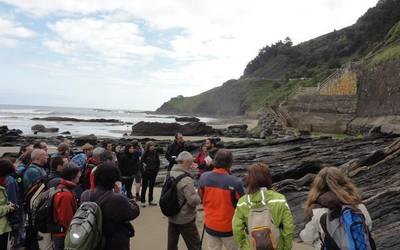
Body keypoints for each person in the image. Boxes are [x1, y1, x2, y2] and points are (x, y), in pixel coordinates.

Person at [300, 167, 373, 250]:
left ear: (318, 185)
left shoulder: (316, 210)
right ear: (343, 181)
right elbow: (368, 226)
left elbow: (308, 238)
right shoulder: (357, 205)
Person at [232, 163, 294, 250]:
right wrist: (286, 247)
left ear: (249, 179)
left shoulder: (242, 202)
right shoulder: (279, 199)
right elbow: (288, 227)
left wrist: (244, 246)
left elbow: (236, 228)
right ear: (268, 178)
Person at [81, 162, 140, 250]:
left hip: (93, 239)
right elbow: (134, 212)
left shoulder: (85, 194)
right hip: (114, 240)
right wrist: (121, 194)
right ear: (115, 179)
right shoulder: (117, 199)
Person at [198, 149, 244, 250]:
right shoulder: (236, 182)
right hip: (230, 228)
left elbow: (201, 197)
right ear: (230, 163)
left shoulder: (203, 177)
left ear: (215, 161)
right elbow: (242, 205)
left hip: (210, 224)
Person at [167, 151, 201, 250]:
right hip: (185, 218)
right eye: (190, 163)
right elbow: (193, 201)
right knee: (195, 245)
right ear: (185, 162)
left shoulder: (170, 173)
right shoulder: (186, 179)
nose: (191, 166)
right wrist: (199, 195)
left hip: (171, 214)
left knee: (172, 245)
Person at [23, 149, 48, 250]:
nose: (47, 157)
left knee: (33, 227)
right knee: (32, 227)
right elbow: (37, 190)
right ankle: (32, 246)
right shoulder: (33, 171)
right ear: (39, 157)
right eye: (45, 156)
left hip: (35, 203)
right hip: (32, 204)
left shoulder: (38, 168)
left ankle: (31, 245)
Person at [52, 165, 81, 250]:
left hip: (61, 232)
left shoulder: (63, 188)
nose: (79, 177)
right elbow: (66, 218)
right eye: (78, 176)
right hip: (62, 234)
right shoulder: (65, 195)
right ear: (73, 177)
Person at [0, 159, 17, 249]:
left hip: (4, 228)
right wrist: (8, 207)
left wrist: (8, 204)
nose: (8, 178)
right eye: (7, 175)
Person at [140, 141, 160, 207]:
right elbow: (141, 163)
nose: (152, 147)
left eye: (153, 146)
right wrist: (143, 172)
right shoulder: (145, 153)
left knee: (151, 187)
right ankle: (142, 201)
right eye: (151, 146)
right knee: (144, 187)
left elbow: (158, 162)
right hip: (146, 173)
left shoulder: (155, 153)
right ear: (148, 147)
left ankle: (150, 200)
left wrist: (156, 171)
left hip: (153, 172)